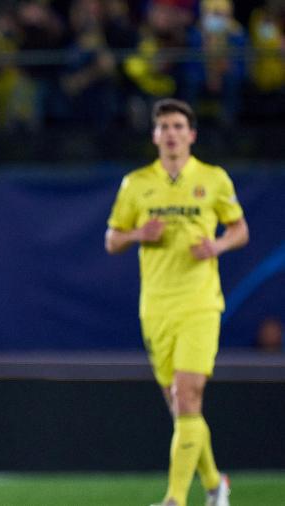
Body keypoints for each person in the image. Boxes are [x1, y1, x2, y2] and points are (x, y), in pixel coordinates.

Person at [105, 98, 249, 506]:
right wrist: (137, 236)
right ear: (155, 136)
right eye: (164, 126)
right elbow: (112, 239)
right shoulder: (136, 184)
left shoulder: (213, 179)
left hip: (200, 302)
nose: (171, 133)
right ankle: (214, 484)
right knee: (179, 405)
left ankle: (174, 499)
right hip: (155, 306)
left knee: (188, 396)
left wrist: (217, 245)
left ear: (191, 135)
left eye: (177, 126)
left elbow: (240, 230)